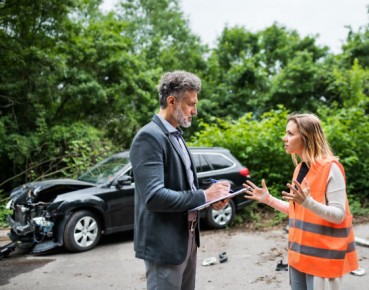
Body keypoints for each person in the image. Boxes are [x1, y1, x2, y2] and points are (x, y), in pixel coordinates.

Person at [129, 70, 230, 290]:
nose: (195, 110)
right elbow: (154, 197)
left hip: (187, 240)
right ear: (171, 100)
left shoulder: (176, 134)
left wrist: (211, 197)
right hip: (165, 246)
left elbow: (184, 187)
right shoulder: (149, 137)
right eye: (190, 104)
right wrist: (204, 195)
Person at [243, 113, 359, 290]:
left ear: (307, 137)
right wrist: (268, 200)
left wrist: (308, 202)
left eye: (290, 133)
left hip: (322, 261)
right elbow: (299, 212)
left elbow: (338, 215)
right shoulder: (300, 168)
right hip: (298, 256)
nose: (284, 138)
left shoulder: (331, 168)